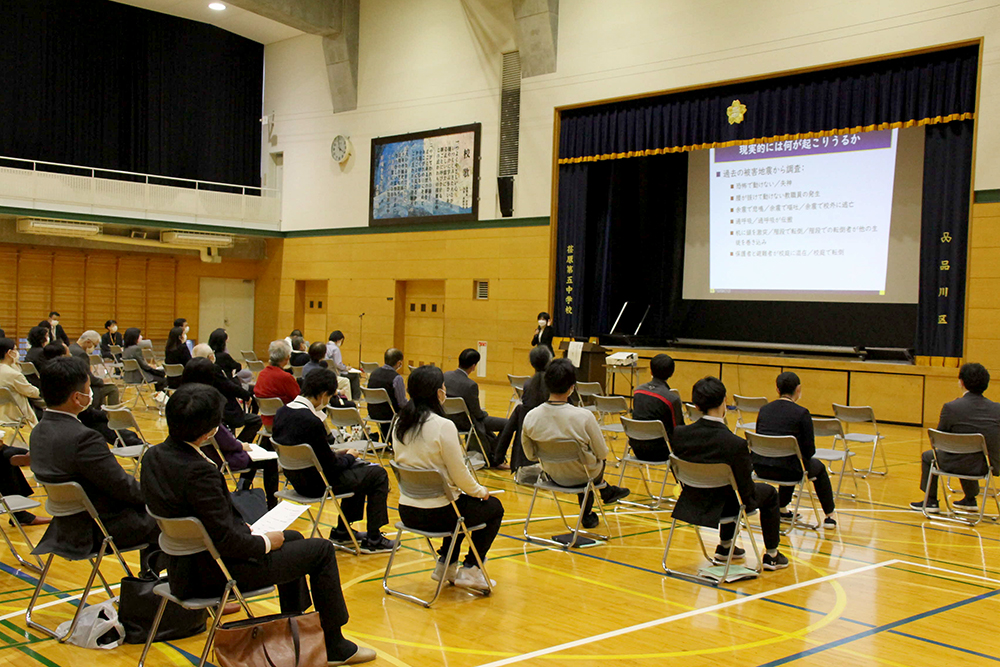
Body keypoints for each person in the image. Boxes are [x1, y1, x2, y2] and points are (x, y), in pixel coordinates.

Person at [140, 383, 375, 666]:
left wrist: (253, 533)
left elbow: (205, 524)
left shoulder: (154, 455)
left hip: (183, 567)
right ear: (209, 430)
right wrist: (264, 542)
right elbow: (228, 542)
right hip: (212, 573)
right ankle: (335, 644)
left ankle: (294, 630)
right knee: (322, 550)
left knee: (295, 538)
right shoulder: (199, 471)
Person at [30, 356, 159, 562]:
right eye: (88, 388)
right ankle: (152, 583)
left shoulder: (37, 431)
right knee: (174, 516)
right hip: (96, 528)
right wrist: (159, 497)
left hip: (65, 526)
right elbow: (121, 486)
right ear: (77, 398)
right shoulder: (83, 438)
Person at [393, 365, 504, 589]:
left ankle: (446, 564)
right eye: (443, 387)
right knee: (492, 507)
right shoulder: (444, 426)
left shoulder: (399, 422)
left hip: (407, 511)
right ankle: (471, 568)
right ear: (437, 393)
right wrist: (480, 491)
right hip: (436, 515)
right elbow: (460, 475)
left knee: (459, 505)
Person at [670, 376, 788, 570]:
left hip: (692, 500)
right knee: (767, 493)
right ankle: (772, 555)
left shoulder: (679, 434)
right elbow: (746, 492)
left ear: (697, 406)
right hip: (724, 505)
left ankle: (726, 547)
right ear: (724, 401)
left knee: (726, 487)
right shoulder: (735, 444)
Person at [272, 369, 394, 553]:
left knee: (360, 471)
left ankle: (343, 531)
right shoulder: (311, 421)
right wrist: (349, 456)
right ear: (322, 395)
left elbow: (310, 452)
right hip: (318, 484)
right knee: (376, 473)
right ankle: (375, 538)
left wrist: (340, 455)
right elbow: (332, 468)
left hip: (297, 480)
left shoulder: (281, 412)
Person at [521, 359, 630, 528]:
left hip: (552, 474)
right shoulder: (584, 417)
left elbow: (530, 455)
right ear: (572, 387)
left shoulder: (531, 417)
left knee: (584, 460)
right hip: (584, 476)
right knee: (591, 461)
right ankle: (591, 508)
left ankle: (605, 493)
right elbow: (602, 453)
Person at [181, 358, 279, 510]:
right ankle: (271, 505)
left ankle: (244, 489)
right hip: (217, 457)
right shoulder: (206, 402)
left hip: (197, 454)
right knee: (268, 460)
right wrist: (240, 445)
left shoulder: (181, 399)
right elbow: (224, 440)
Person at [910, 362, 1000, 513]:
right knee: (970, 453)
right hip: (985, 465)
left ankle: (931, 501)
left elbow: (939, 440)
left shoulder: (951, 407)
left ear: (961, 382)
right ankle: (970, 500)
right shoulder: (997, 409)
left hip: (956, 463)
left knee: (929, 456)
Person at [754, 372, 836, 526]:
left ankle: (782, 509)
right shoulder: (802, 413)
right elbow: (809, 451)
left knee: (789, 459)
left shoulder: (764, 410)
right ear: (798, 389)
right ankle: (829, 515)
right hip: (789, 470)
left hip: (762, 467)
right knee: (814, 466)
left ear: (777, 389)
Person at [0, 338, 47, 526]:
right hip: (16, 415)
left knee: (9, 456)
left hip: (4, 416)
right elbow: (34, 392)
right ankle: (20, 513)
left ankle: (20, 512)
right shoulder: (11, 373)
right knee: (7, 457)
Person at [444, 349, 509, 468]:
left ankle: (491, 453)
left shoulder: (445, 376)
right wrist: (485, 413)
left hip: (447, 419)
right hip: (467, 423)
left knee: (487, 428)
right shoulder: (470, 385)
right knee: (507, 423)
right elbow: (477, 413)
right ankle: (496, 457)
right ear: (474, 366)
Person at [192, 344, 261, 443]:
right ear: (211, 356)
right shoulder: (212, 369)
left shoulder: (192, 369)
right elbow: (228, 386)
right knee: (257, 420)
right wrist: (246, 395)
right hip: (224, 411)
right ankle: (238, 445)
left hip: (204, 412)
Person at [499, 345, 551, 471]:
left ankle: (498, 457)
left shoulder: (528, 384)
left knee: (518, 411)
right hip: (549, 430)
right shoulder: (552, 383)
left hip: (528, 432)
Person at [630, 353, 685, 461]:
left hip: (636, 448)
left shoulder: (638, 391)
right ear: (671, 373)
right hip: (662, 452)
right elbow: (678, 430)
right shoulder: (672, 399)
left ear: (651, 371)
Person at [254, 340, 301, 431]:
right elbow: (299, 399)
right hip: (285, 423)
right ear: (287, 358)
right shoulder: (286, 377)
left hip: (267, 423)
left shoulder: (262, 374)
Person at [68, 330, 120, 407]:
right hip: (81, 387)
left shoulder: (71, 348)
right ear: (88, 342)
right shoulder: (82, 354)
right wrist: (101, 381)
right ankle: (113, 413)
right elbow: (87, 377)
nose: (94, 348)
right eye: (95, 345)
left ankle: (101, 410)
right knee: (112, 388)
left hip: (71, 385)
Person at [367, 348, 407, 440]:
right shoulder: (397, 378)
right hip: (389, 414)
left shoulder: (374, 373)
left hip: (372, 412)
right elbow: (402, 403)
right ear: (399, 363)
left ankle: (387, 438)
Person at [122, 327, 167, 392]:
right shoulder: (136, 349)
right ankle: (163, 399)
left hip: (129, 377)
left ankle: (159, 397)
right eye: (139, 335)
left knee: (159, 376)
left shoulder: (125, 349)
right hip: (139, 376)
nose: (141, 337)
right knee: (162, 379)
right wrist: (155, 370)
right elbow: (144, 366)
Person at [325, 331, 356, 397]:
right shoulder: (335, 349)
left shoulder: (324, 347)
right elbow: (338, 364)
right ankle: (355, 398)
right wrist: (346, 368)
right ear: (339, 340)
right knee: (355, 376)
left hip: (326, 372)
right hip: (335, 374)